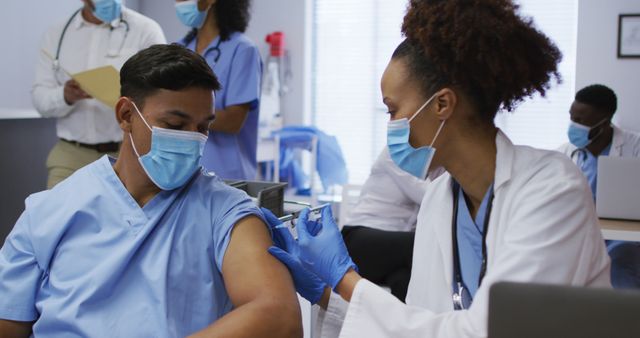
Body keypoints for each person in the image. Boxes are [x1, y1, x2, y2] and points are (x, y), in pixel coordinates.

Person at [263, 0, 611, 337]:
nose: (392, 124)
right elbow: (422, 322)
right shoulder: (440, 200)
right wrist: (327, 294)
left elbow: (493, 329)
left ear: (442, 103)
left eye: (393, 109)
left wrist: (346, 281)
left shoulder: (553, 189)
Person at [0, 44, 301, 338]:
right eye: (174, 124)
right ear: (126, 115)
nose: (192, 140)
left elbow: (278, 316)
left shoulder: (225, 211)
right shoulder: (50, 211)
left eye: (203, 127)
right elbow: (8, 323)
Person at [32, 0, 166, 189]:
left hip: (128, 151)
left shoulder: (146, 30)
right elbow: (40, 99)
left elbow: (161, 94)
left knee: (127, 216)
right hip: (71, 155)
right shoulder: (56, 34)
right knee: (55, 216)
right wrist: (65, 96)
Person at [558, 84, 640, 289]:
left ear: (604, 122)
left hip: (621, 239)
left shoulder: (635, 147)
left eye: (580, 121)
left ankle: (624, 319)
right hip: (578, 232)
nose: (573, 125)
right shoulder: (565, 153)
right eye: (571, 118)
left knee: (620, 270)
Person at [175, 0, 262, 180]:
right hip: (184, 173)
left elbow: (233, 121)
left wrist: (179, 115)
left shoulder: (243, 49)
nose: (177, 3)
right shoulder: (180, 49)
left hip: (227, 176)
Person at [341, 148, 427, 301]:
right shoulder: (395, 153)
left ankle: (400, 324)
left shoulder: (434, 163)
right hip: (359, 240)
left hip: (392, 255)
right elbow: (427, 194)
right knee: (421, 245)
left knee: (404, 279)